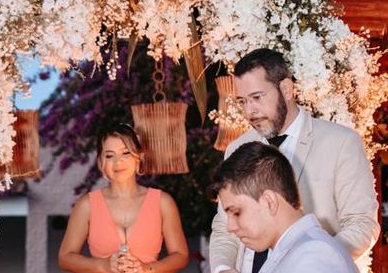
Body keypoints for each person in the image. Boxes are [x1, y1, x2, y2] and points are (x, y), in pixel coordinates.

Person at [209, 48, 379, 273]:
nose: (250, 111)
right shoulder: (236, 148)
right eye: (242, 102)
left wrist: (310, 261)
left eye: (257, 98)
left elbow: (362, 224)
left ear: (286, 89)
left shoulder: (341, 142)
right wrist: (223, 269)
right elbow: (224, 228)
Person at [209, 141, 358, 273]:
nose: (230, 227)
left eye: (236, 212)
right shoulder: (295, 251)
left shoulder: (314, 255)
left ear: (269, 202)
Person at [58, 123, 189, 272]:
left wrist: (147, 269)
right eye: (109, 155)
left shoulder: (163, 202)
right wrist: (102, 265)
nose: (117, 161)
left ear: (139, 157)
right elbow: (65, 257)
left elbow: (181, 255)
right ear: (100, 162)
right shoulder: (86, 205)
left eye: (125, 153)